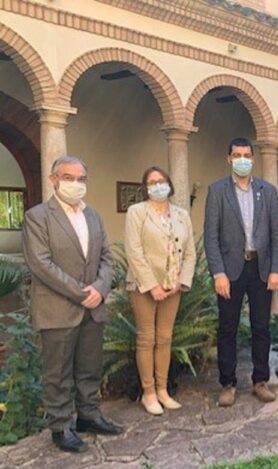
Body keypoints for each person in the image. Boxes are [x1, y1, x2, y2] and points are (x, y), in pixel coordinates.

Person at [22, 156, 122, 452]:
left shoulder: (93, 216)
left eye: (81, 179)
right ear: (54, 179)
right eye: (69, 177)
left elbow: (107, 258)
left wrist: (101, 289)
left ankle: (89, 416)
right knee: (58, 373)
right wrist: (83, 293)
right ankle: (61, 425)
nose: (75, 184)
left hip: (93, 306)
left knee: (90, 366)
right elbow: (41, 264)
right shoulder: (38, 216)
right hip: (58, 309)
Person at [204, 137, 278, 408]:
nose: (242, 159)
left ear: (253, 158)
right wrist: (218, 273)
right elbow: (210, 236)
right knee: (228, 327)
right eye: (237, 155)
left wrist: (275, 270)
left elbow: (275, 234)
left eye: (247, 155)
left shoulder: (268, 191)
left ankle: (260, 381)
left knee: (261, 326)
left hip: (260, 268)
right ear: (228, 159)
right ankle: (228, 383)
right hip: (230, 269)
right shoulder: (217, 191)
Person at [125, 166, 196, 415]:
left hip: (173, 286)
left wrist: (181, 281)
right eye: (152, 182)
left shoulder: (181, 214)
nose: (158, 185)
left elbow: (190, 252)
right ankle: (149, 393)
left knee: (165, 338)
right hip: (144, 286)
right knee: (147, 339)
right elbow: (134, 250)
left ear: (169, 183)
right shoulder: (137, 212)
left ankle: (163, 390)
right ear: (145, 187)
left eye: (162, 180)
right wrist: (152, 285)